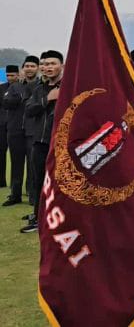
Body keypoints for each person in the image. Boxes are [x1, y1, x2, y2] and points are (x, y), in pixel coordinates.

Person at [21, 50, 63, 233]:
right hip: (39, 142)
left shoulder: (69, 87)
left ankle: (61, 217)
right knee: (38, 182)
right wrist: (47, 99)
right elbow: (29, 109)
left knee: (60, 183)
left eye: (53, 63)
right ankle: (38, 218)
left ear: (62, 65)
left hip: (60, 144)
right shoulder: (39, 89)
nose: (48, 67)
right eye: (45, 64)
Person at [2, 55, 39, 207]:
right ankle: (15, 194)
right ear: (23, 69)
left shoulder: (40, 86)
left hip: (33, 131)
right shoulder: (14, 86)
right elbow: (6, 103)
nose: (29, 69)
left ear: (37, 69)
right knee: (16, 163)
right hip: (15, 130)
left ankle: (32, 194)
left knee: (33, 164)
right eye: (27, 66)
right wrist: (21, 94)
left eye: (32, 66)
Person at [0, 65, 20, 189]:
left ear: (18, 75)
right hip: (2, 125)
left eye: (12, 75)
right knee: (1, 153)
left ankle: (15, 184)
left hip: (15, 125)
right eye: (8, 75)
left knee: (16, 156)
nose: (10, 77)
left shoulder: (21, 88)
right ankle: (1, 181)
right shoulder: (1, 88)